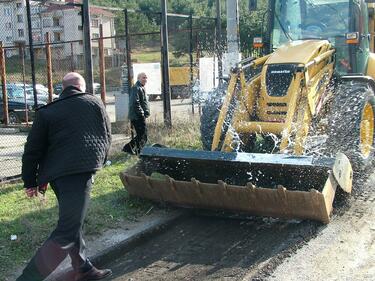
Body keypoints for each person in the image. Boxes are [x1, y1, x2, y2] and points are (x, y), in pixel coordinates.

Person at [17, 72, 112, 281]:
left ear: (64, 88)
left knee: (72, 221)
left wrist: (30, 181)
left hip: (57, 178)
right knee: (67, 230)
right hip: (81, 173)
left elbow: (32, 150)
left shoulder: (47, 112)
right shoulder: (94, 102)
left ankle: (84, 269)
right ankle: (27, 279)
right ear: (82, 86)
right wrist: (99, 161)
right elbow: (107, 135)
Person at [122, 72, 150, 155]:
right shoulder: (136, 88)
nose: (145, 79)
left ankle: (131, 149)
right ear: (138, 79)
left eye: (146, 77)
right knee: (143, 135)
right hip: (137, 116)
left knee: (142, 135)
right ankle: (134, 150)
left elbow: (143, 102)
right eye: (143, 77)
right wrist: (141, 114)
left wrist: (146, 112)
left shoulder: (141, 87)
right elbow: (135, 102)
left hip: (139, 115)